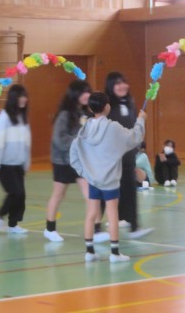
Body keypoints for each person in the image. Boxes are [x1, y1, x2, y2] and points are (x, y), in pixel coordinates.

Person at [70, 92, 146, 263]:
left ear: (91, 109)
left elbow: (74, 153)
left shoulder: (85, 129)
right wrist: (141, 120)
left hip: (93, 179)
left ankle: (89, 252)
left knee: (91, 213)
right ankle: (115, 253)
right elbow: (134, 137)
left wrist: (85, 172)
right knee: (112, 214)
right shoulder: (113, 128)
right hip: (110, 180)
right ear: (107, 107)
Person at [104, 72, 152, 239]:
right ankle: (95, 229)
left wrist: (141, 122)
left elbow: (133, 129)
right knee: (104, 194)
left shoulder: (129, 103)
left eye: (124, 82)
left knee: (129, 191)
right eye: (117, 83)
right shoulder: (106, 106)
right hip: (111, 158)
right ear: (111, 86)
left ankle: (133, 225)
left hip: (128, 157)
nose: (122, 86)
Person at [44, 80, 93, 242]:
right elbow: (59, 140)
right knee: (58, 194)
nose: (87, 95)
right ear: (75, 95)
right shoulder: (65, 114)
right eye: (83, 92)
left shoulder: (85, 113)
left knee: (90, 195)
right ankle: (50, 229)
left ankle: (96, 229)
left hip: (79, 161)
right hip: (63, 161)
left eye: (88, 92)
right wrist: (79, 141)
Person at [0, 84, 31, 234]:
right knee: (15, 192)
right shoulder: (3, 118)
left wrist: (26, 161)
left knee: (21, 196)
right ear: (13, 98)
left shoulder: (22, 117)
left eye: (25, 96)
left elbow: (26, 142)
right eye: (21, 96)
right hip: (5, 164)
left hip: (18, 163)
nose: (24, 99)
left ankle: (13, 224)